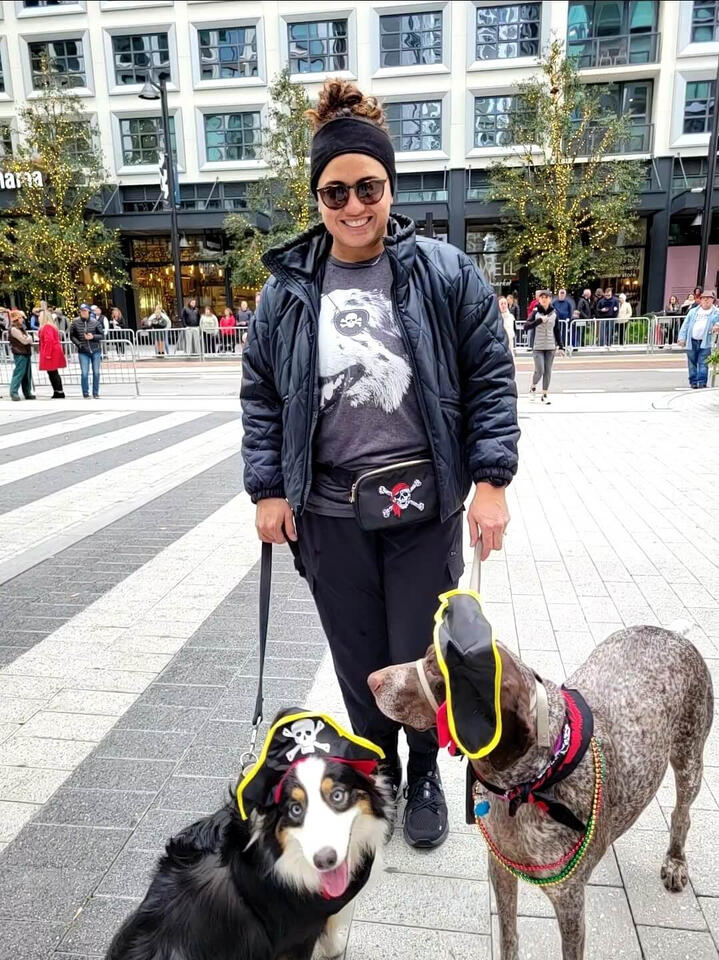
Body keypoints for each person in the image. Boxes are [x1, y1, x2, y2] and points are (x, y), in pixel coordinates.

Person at [241, 79, 518, 850]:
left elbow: (488, 378)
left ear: (391, 186)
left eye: (368, 187)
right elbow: (262, 395)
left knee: (421, 654)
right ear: (317, 197)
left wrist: (491, 481)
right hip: (329, 514)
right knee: (360, 656)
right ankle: (379, 768)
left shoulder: (444, 272)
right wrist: (267, 488)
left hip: (423, 505)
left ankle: (427, 767)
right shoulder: (286, 293)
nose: (353, 206)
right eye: (335, 192)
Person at [525, 289, 563, 403]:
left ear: (550, 299)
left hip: (550, 346)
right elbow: (526, 326)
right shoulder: (535, 312)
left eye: (546, 297)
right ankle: (533, 387)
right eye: (542, 298)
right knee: (540, 370)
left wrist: (561, 346)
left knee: (548, 371)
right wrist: (539, 321)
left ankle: (544, 395)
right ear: (539, 300)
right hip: (538, 346)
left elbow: (557, 330)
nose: (544, 299)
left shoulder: (555, 313)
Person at [677, 289, 719, 389]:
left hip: (706, 342)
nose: (706, 300)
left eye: (708, 298)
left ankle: (702, 383)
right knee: (692, 363)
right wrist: (682, 338)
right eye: (704, 298)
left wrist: (717, 326)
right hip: (692, 340)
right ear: (700, 300)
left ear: (713, 300)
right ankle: (693, 382)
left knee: (703, 363)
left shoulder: (716, 312)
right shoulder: (693, 311)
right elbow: (685, 325)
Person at [70, 302, 104, 398]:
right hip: (83, 351)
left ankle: (95, 392)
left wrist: (93, 337)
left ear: (88, 311)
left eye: (85, 311)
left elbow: (102, 335)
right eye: (81, 311)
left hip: (95, 349)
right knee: (84, 373)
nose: (83, 313)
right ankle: (85, 392)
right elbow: (72, 336)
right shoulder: (75, 322)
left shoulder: (95, 322)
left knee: (96, 372)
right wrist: (79, 344)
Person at [8, 310, 35, 401]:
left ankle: (27, 392)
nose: (23, 319)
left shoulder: (21, 328)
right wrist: (29, 338)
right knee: (19, 373)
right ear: (17, 319)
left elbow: (28, 339)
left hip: (26, 352)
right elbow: (24, 340)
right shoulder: (14, 329)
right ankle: (13, 392)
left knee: (27, 374)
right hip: (19, 353)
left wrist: (28, 338)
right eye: (21, 317)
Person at [38, 311, 66, 398]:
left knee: (52, 372)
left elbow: (49, 340)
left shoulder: (47, 327)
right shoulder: (51, 326)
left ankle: (59, 391)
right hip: (54, 351)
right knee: (53, 372)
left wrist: (47, 353)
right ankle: (57, 391)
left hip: (51, 352)